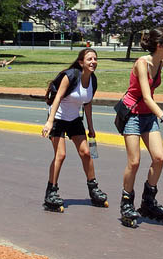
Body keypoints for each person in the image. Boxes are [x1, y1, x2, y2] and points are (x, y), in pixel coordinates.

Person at [118, 27, 163, 227]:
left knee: (159, 158)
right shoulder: (142, 63)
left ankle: (148, 200)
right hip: (132, 115)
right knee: (134, 162)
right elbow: (145, 96)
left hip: (148, 115)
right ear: (160, 46)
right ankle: (127, 202)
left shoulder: (160, 62)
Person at [40, 49, 107, 212]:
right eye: (89, 59)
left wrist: (91, 127)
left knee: (86, 152)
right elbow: (57, 99)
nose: (93, 62)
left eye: (95, 59)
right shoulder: (70, 76)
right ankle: (51, 192)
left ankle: (93, 188)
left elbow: (88, 103)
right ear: (81, 62)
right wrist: (49, 122)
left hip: (74, 119)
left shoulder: (92, 80)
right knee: (60, 155)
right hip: (58, 118)